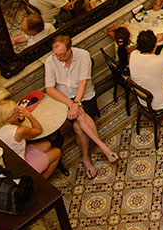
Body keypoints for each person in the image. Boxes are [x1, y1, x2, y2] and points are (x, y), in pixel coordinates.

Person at [44, 36, 118, 179]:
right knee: (79, 124)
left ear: (70, 49)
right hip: (65, 99)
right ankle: (102, 146)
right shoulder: (50, 61)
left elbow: (83, 83)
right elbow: (50, 89)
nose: (59, 57)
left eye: (62, 54)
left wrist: (76, 103)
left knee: (78, 128)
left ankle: (85, 158)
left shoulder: (83, 55)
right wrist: (71, 104)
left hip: (85, 96)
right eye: (56, 54)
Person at [0, 100, 61, 178]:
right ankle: (41, 181)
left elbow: (11, 128)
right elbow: (39, 130)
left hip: (11, 159)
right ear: (10, 117)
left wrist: (18, 120)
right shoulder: (19, 132)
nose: (19, 111)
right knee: (57, 152)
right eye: (17, 112)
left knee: (47, 144)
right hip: (22, 166)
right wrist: (29, 115)